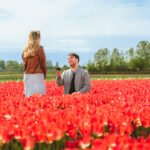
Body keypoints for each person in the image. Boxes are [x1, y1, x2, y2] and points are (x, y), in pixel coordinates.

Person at [22, 31, 46, 97]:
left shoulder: (25, 49)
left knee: (29, 96)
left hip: (27, 75)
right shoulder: (40, 49)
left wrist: (25, 73)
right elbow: (43, 63)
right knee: (40, 96)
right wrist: (44, 75)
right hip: (38, 74)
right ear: (38, 38)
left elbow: (24, 64)